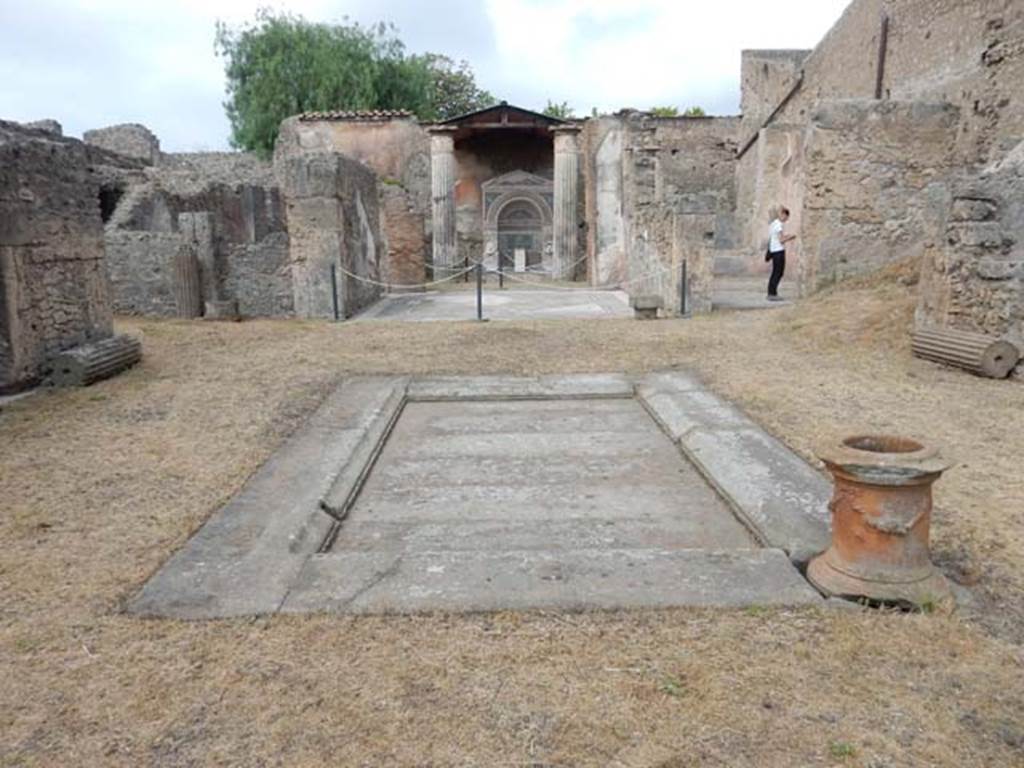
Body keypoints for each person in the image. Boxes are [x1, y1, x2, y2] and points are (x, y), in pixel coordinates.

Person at [765, 206, 796, 300]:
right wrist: (791, 237)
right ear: (783, 215)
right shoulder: (779, 225)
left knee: (776, 272)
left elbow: (775, 237)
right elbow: (781, 240)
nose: (786, 219)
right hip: (778, 250)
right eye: (786, 217)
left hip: (773, 250)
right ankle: (772, 293)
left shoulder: (773, 224)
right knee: (778, 272)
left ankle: (772, 292)